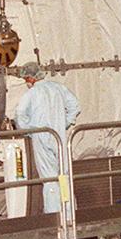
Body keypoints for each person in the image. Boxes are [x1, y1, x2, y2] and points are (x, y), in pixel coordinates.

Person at [13, 62, 81, 213]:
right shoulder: (57, 88)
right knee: (64, 176)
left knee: (49, 178)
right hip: (59, 137)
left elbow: (19, 114)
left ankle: (54, 214)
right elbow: (75, 105)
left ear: (30, 78)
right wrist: (65, 123)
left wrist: (27, 130)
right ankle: (69, 212)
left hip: (41, 137)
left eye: (26, 79)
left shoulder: (31, 94)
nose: (26, 82)